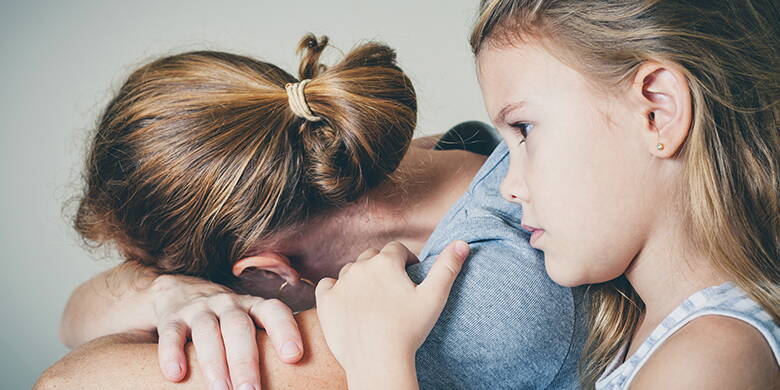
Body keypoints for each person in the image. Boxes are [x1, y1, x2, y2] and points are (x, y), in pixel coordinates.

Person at [37, 33, 585, 389]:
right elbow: (73, 316)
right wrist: (165, 292)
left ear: (266, 274)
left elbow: (62, 382)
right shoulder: (445, 153)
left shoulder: (489, 293)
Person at [314, 0, 780, 389]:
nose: (509, 186)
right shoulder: (648, 331)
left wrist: (378, 359)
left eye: (524, 128)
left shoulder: (709, 360)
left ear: (657, 112)